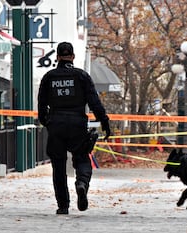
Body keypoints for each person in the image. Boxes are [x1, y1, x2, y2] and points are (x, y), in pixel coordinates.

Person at [37, 42, 111, 215]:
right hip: (78, 123)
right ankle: (82, 183)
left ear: (57, 57)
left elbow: (41, 105)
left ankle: (63, 205)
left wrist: (46, 122)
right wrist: (104, 122)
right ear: (73, 56)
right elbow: (94, 102)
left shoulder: (49, 77)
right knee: (82, 159)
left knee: (58, 167)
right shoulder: (82, 76)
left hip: (56, 124)